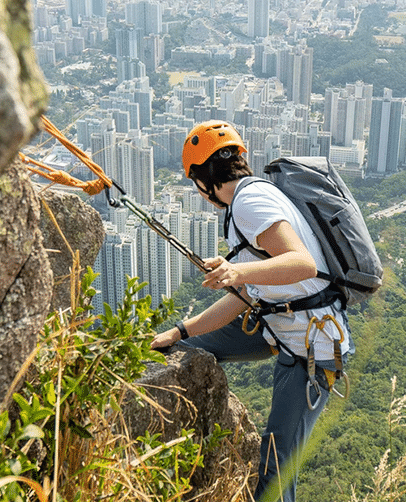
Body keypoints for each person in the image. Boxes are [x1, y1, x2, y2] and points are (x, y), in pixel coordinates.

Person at [151, 120, 352, 502]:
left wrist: (235, 270)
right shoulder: (248, 200)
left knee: (275, 469)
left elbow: (302, 264)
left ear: (202, 178)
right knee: (188, 350)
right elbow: (242, 296)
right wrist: (180, 332)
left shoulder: (250, 202)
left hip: (311, 349)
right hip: (277, 324)